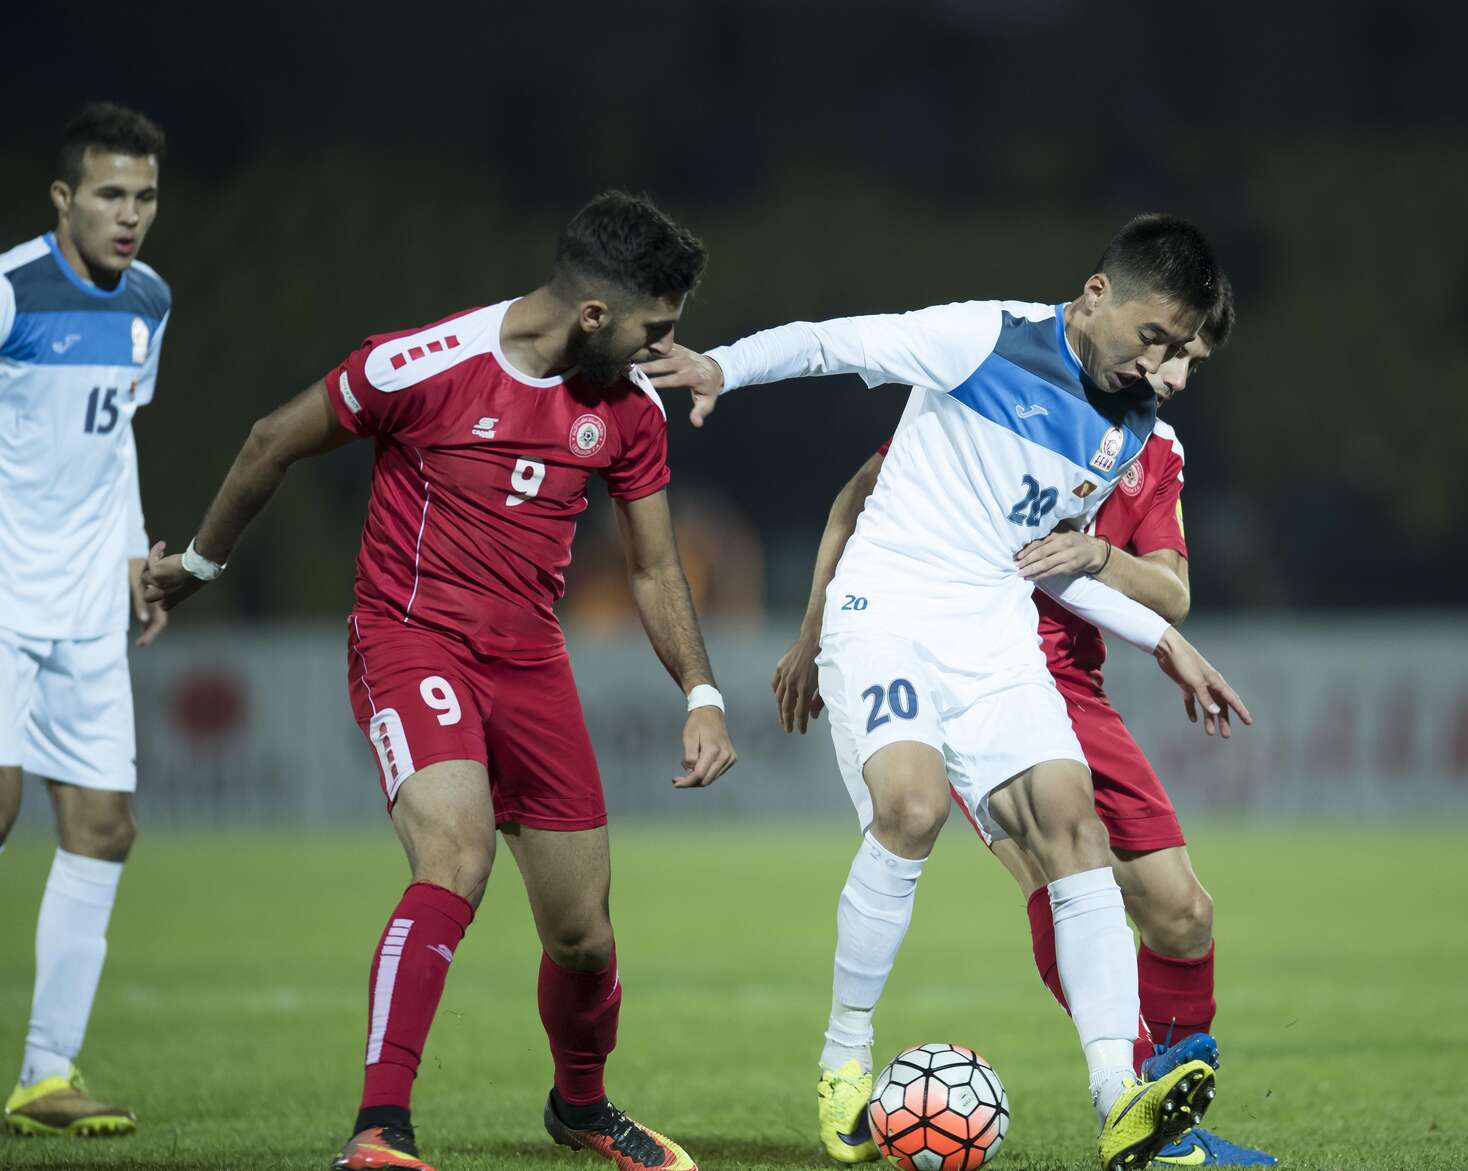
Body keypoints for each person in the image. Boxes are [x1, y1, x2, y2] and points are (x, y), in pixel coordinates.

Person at [141, 192, 736, 1170]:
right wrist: (199, 567)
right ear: (593, 314)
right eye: (653, 329)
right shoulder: (418, 366)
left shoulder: (626, 408)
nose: (663, 350)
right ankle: (380, 1127)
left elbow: (653, 567)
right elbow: (269, 439)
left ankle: (580, 1108)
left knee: (584, 934)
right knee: (456, 855)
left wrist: (702, 695)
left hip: (530, 663)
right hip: (411, 642)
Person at [646, 213, 1250, 1171]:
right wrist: (723, 364)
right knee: (914, 807)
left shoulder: (1128, 427)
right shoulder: (986, 337)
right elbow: (833, 342)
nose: (1161, 366)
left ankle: (1119, 1098)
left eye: (1177, 351)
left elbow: (1042, 558)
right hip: (886, 609)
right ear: (1098, 295)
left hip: (993, 628)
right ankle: (845, 1059)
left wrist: (1160, 635)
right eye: (1152, 339)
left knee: (1072, 821)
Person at [2, 101, 172, 1139]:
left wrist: (131, 557)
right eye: (110, 194)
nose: (130, 216)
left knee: (104, 826)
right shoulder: (13, 288)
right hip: (3, 593)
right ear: (63, 197)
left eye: (145, 197)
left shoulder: (149, 296)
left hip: (84, 608)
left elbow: (118, 443)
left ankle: (43, 1075)